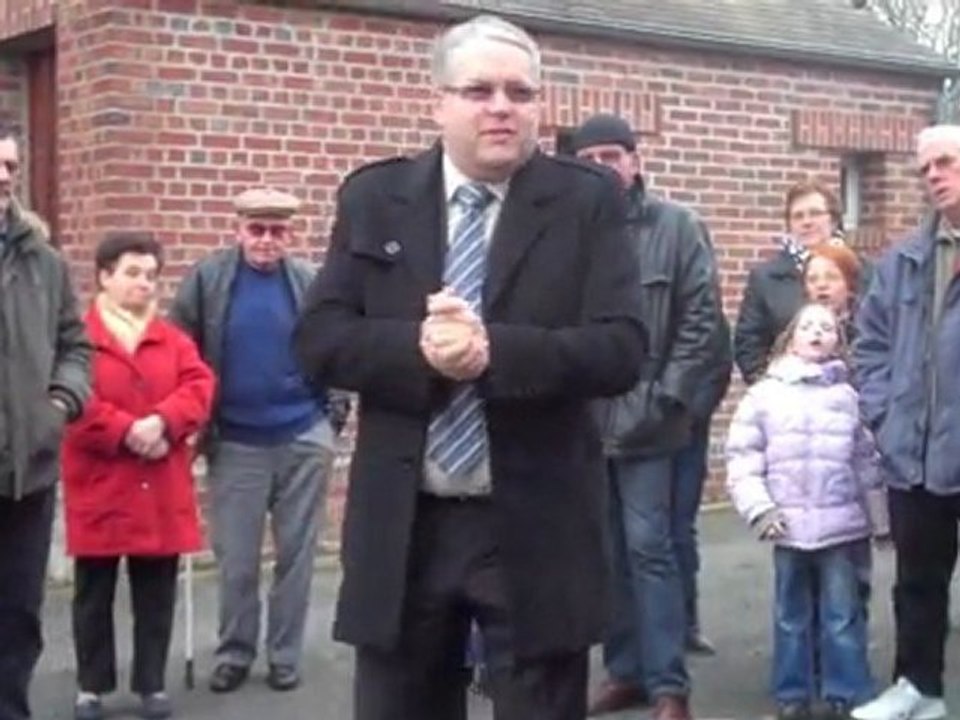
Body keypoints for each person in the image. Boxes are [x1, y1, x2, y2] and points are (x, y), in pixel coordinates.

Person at [293, 14, 645, 720]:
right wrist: (417, 349)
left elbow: (623, 348)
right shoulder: (375, 198)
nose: (501, 107)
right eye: (479, 89)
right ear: (439, 101)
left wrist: (495, 351)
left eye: (520, 92)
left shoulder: (586, 201)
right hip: (408, 524)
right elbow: (320, 341)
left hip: (536, 521)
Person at [569, 114, 727, 720]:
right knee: (605, 553)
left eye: (613, 155)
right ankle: (624, 672)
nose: (603, 166)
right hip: (586, 423)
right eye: (590, 157)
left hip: (653, 425)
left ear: (634, 162)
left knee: (650, 550)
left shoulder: (677, 226)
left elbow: (700, 325)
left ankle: (668, 686)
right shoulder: (568, 234)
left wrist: (663, 402)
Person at [169, 187, 345, 694]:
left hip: (303, 437)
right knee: (238, 560)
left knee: (297, 557)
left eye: (277, 231)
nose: (267, 241)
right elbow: (181, 349)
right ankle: (234, 652)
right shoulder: (208, 279)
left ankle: (284, 655)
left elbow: (335, 351)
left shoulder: (311, 283)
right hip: (237, 442)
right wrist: (188, 419)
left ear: (291, 234)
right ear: (239, 229)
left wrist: (329, 422)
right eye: (257, 229)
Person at [62, 233, 216, 720]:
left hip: (159, 481)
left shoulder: (173, 339)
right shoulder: (80, 338)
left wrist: (164, 421)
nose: (144, 284)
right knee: (94, 592)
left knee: (156, 589)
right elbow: (73, 397)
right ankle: (92, 685)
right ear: (104, 277)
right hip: (101, 480)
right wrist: (126, 429)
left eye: (151, 275)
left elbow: (200, 385)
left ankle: (151, 682)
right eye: (132, 273)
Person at [726, 302, 886, 720]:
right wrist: (759, 508)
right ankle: (792, 694)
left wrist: (880, 520)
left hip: (842, 527)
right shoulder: (764, 394)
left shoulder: (849, 397)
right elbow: (744, 457)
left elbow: (867, 462)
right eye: (808, 326)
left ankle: (847, 692)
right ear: (790, 336)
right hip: (789, 527)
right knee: (790, 615)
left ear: (839, 341)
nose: (817, 333)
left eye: (827, 328)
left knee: (841, 614)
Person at [850, 124, 960, 720]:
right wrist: (886, 414)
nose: (933, 176)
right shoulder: (902, 262)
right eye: (925, 169)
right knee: (917, 581)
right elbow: (869, 345)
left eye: (945, 163)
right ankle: (918, 689)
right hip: (914, 452)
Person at [0, 126, 92, 720]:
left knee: (18, 615)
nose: (6, 175)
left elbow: (74, 345)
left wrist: (59, 403)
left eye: (10, 164)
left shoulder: (44, 261)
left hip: (25, 472)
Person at [735, 180, 854, 384]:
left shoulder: (861, 272)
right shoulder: (766, 279)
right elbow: (749, 345)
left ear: (833, 220)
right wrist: (773, 388)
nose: (806, 222)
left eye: (815, 213)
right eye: (798, 216)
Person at [803, 242, 863, 344]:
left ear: (850, 284)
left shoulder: (868, 326)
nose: (821, 285)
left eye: (831, 277)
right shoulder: (798, 330)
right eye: (812, 279)